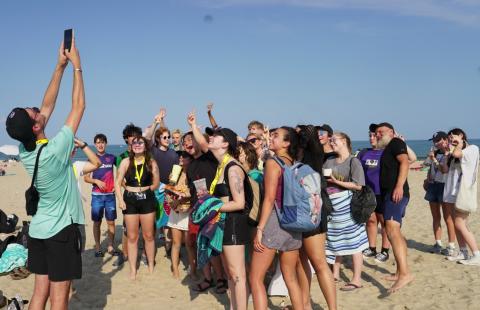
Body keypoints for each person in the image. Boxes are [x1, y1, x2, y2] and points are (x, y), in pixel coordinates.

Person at [5, 37, 85, 309]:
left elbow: (47, 105)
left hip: (38, 231)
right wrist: (77, 67)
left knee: (40, 294)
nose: (38, 109)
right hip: (60, 231)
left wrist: (59, 66)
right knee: (59, 298)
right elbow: (78, 108)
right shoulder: (54, 151)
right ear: (36, 127)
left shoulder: (26, 149)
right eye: (34, 113)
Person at [250, 127, 303, 310]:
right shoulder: (295, 163)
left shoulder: (274, 163)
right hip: (294, 222)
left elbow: (270, 198)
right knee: (291, 277)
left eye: (275, 136)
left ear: (287, 143)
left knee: (255, 278)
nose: (271, 138)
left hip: (275, 221)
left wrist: (260, 228)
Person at [209, 127, 252, 310]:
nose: (211, 137)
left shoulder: (232, 168)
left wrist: (210, 207)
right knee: (230, 273)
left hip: (234, 223)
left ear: (225, 144)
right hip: (224, 222)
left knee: (237, 275)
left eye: (215, 136)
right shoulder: (221, 166)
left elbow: (239, 203)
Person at [295, 125, 337, 309]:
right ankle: (305, 305)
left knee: (319, 262)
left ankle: (332, 308)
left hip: (313, 210)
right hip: (298, 212)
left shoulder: (313, 154)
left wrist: (307, 133)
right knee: (300, 259)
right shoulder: (297, 157)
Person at [185, 111, 227, 293]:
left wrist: (193, 125)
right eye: (184, 144)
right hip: (197, 210)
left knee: (214, 247)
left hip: (214, 209)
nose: (188, 145)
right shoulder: (190, 166)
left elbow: (203, 143)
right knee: (200, 246)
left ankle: (220, 279)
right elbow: (192, 190)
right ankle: (207, 279)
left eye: (190, 142)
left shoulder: (210, 158)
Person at [324, 132, 368, 291]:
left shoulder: (353, 161)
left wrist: (336, 182)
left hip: (347, 205)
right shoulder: (329, 161)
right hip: (331, 205)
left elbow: (358, 185)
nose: (331, 142)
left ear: (344, 141)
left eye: (334, 139)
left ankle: (357, 279)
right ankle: (335, 273)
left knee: (353, 240)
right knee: (334, 238)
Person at [375, 122, 414, 293]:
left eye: (380, 132)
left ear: (391, 132)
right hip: (389, 195)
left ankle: (405, 274)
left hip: (395, 193)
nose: (377, 135)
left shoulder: (395, 143)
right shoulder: (389, 148)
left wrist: (398, 186)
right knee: (395, 231)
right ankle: (400, 272)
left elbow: (405, 163)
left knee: (391, 230)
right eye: (376, 133)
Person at [115, 135, 160, 280]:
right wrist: (121, 200)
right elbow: (118, 182)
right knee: (132, 237)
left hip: (147, 200)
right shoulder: (125, 162)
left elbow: (156, 183)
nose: (137, 145)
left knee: (148, 235)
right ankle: (133, 269)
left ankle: (151, 265)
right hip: (130, 201)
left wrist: (145, 190)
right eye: (134, 143)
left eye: (140, 142)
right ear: (131, 146)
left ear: (145, 146)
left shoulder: (151, 162)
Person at [443, 128, 480, 265]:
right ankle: (463, 252)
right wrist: (447, 153)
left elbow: (459, 153)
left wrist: (456, 144)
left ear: (461, 136)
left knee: (460, 223)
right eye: (450, 138)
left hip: (464, 192)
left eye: (453, 137)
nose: (451, 140)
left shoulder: (472, 149)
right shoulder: (455, 154)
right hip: (453, 192)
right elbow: (445, 170)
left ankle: (476, 254)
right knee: (457, 223)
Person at [357, 124, 391, 263]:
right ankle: (371, 248)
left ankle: (385, 250)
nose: (372, 138)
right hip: (368, 192)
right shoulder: (363, 153)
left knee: (384, 223)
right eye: (369, 135)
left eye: (374, 135)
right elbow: (357, 171)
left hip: (383, 192)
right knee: (370, 221)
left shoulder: (387, 153)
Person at [84, 134, 119, 257]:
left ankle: (110, 246)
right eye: (98, 142)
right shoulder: (91, 159)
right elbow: (86, 178)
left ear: (106, 143)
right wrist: (96, 181)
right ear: (95, 144)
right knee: (97, 222)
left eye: (102, 142)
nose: (100, 145)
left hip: (110, 196)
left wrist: (118, 184)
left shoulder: (112, 158)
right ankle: (98, 247)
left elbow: (121, 170)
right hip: (97, 196)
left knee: (111, 222)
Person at [114, 123, 143, 267]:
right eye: (131, 136)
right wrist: (131, 188)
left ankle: (141, 254)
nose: (133, 139)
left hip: (144, 195)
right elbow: (120, 179)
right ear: (126, 139)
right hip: (129, 196)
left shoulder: (143, 154)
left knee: (143, 227)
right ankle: (124, 254)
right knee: (127, 227)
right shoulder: (121, 157)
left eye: (136, 136)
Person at [423, 131, 456, 255]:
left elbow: (444, 171)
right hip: (433, 185)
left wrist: (434, 159)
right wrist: (427, 179)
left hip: (445, 186)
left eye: (437, 140)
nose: (435, 143)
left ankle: (451, 246)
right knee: (436, 216)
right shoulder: (435, 152)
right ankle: (438, 243)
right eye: (434, 140)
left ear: (445, 140)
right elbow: (430, 167)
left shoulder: (451, 153)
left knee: (448, 218)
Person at [165, 151, 195, 279]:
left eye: (185, 156)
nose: (181, 158)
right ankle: (175, 269)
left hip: (188, 211)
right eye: (180, 156)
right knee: (176, 242)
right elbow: (168, 189)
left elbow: (196, 192)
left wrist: (183, 196)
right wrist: (171, 202)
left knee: (189, 244)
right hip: (176, 210)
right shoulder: (175, 173)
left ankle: (193, 270)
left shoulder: (193, 173)